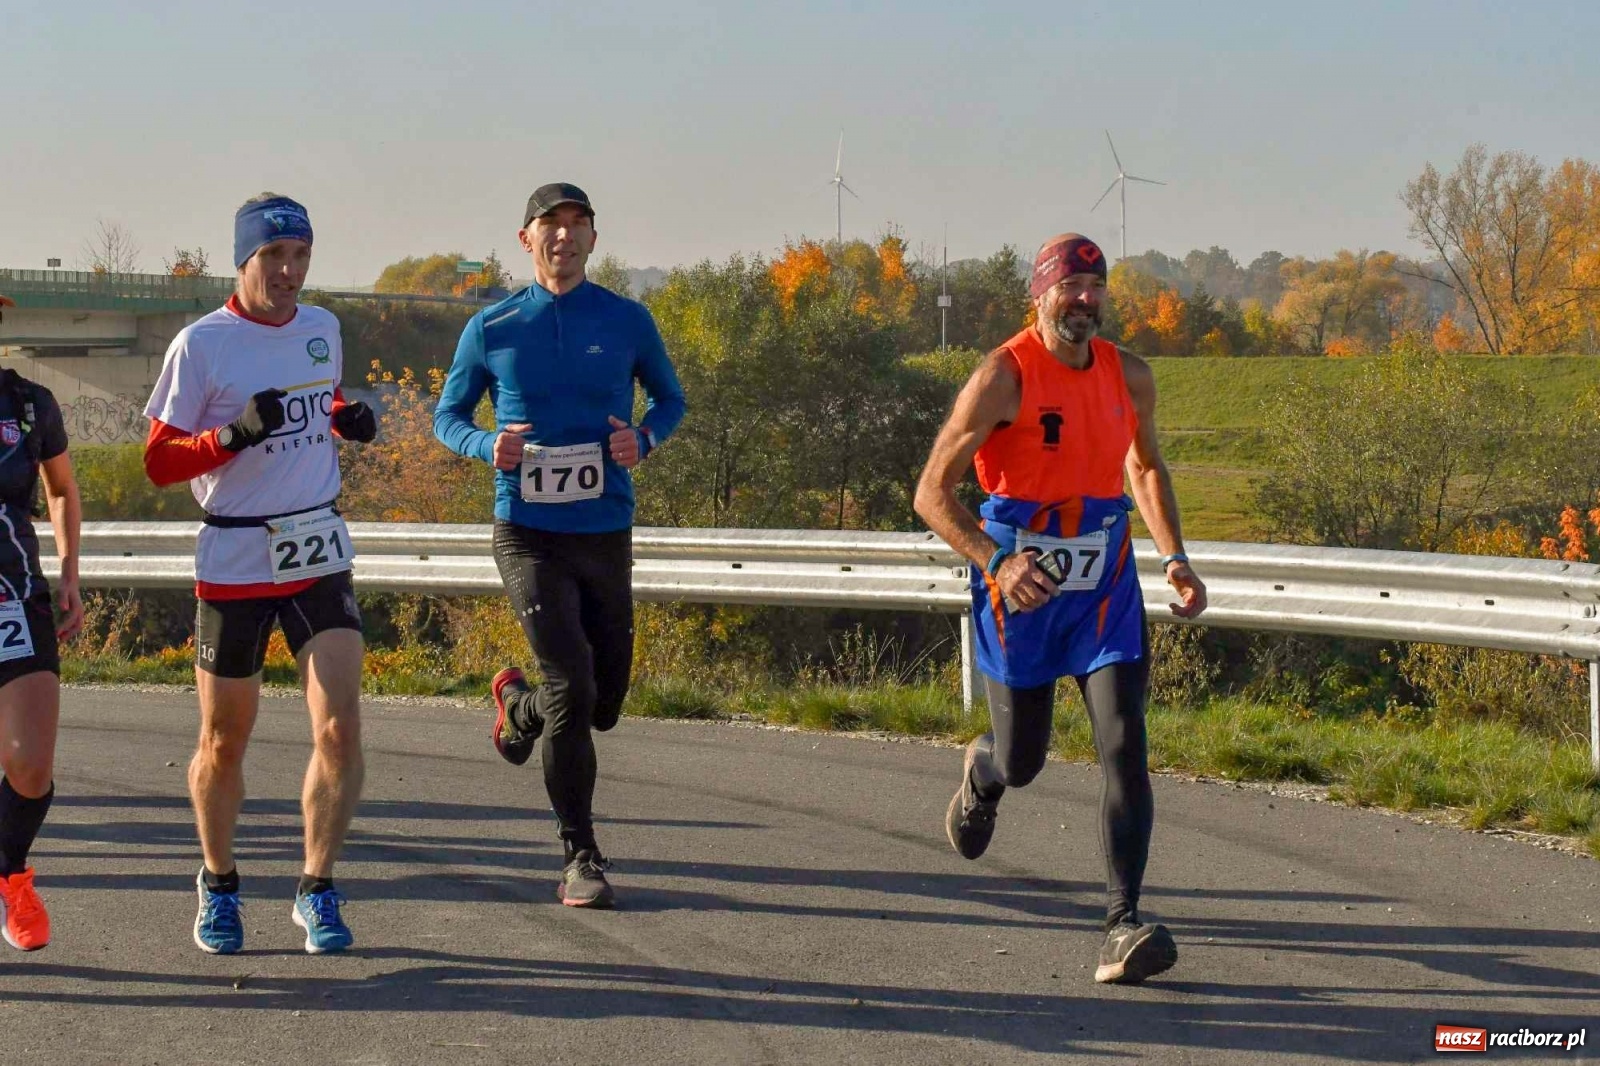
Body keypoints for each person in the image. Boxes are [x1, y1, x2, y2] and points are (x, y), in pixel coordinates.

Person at [913, 233, 1207, 985]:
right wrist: (996, 562)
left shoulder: (1128, 376)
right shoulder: (1002, 376)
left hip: (1103, 585)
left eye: (1094, 288)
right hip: (1022, 589)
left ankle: (1122, 924)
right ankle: (983, 773)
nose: (1083, 301)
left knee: (1124, 740)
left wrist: (1173, 556)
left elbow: (1143, 466)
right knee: (1025, 759)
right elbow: (930, 493)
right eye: (1068, 288)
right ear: (1039, 297)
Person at [433, 183, 685, 908]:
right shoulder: (494, 326)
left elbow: (670, 401)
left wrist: (644, 438)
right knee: (573, 689)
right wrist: (489, 445)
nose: (564, 237)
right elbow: (447, 415)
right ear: (527, 240)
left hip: (604, 528)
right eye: (550, 225)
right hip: (527, 532)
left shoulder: (627, 320)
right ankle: (581, 855)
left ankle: (518, 708)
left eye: (578, 226)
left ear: (593, 241)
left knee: (602, 701)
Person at [142, 194, 379, 955]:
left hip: (316, 546)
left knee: (340, 727)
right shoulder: (201, 345)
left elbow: (324, 400)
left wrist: (348, 416)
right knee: (223, 741)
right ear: (243, 260)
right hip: (236, 555)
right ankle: (218, 882)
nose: (288, 272)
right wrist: (232, 435)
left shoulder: (322, 327)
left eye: (301, 256)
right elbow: (157, 460)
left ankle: (317, 887)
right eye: (273, 257)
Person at [0, 298, 86, 951]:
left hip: (16, 596)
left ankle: (11, 875)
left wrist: (68, 574)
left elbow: (59, 489)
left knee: (30, 766)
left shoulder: (30, 404)